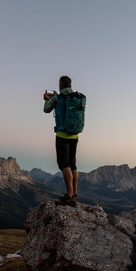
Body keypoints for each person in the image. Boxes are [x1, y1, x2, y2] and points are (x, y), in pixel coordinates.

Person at [43, 76, 79, 205]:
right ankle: (75, 193)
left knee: (64, 164)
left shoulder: (57, 98)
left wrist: (47, 100)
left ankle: (69, 196)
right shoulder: (76, 97)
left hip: (62, 135)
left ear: (60, 85)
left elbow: (46, 109)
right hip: (75, 135)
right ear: (70, 85)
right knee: (73, 164)